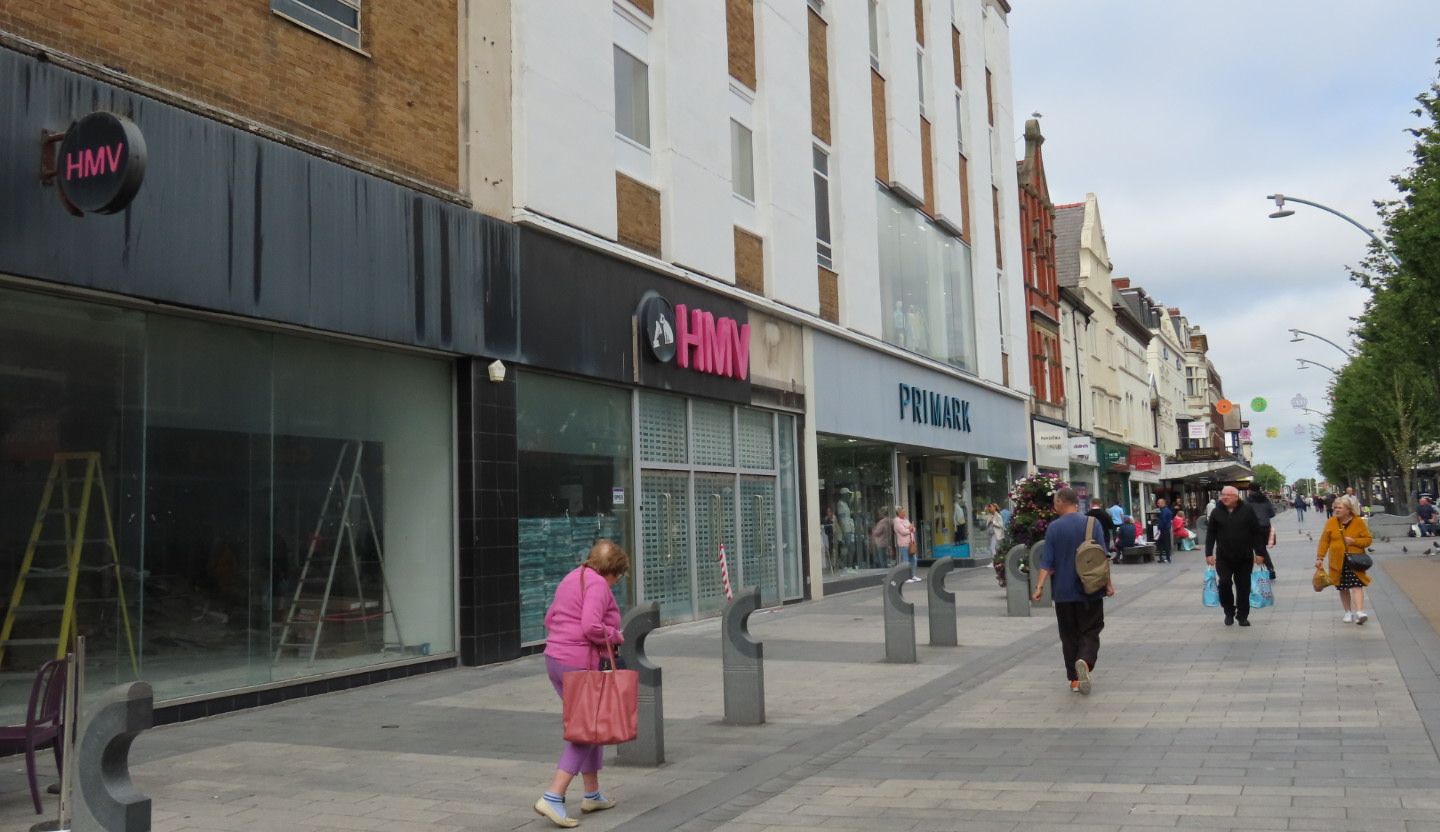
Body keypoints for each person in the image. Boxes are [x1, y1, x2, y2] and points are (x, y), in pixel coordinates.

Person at [535, 540, 629, 827]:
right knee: (587, 728)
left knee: (592, 722)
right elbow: (590, 626)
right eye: (619, 575)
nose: (617, 582)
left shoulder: (571, 577)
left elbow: (549, 617)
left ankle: (592, 794)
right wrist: (614, 635)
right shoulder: (599, 585)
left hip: (556, 659)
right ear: (612, 571)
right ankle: (553, 795)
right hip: (579, 663)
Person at [1031, 487, 1114, 694]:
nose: (1053, 506)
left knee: (1068, 635)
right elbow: (1102, 557)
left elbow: (1047, 562)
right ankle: (1085, 661)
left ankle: (1075, 680)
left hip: (1063, 593)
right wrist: (1108, 584)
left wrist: (1039, 587)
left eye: (1055, 502)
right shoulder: (1092, 523)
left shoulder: (1054, 528)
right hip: (1091, 589)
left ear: (1061, 503)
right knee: (1091, 629)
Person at [1205, 486, 1265, 627]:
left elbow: (1256, 533)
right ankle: (1229, 611)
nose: (1225, 497)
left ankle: (1243, 615)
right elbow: (1210, 534)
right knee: (1224, 583)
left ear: (1236, 497)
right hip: (1224, 557)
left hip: (1244, 556)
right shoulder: (1216, 512)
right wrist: (1208, 553)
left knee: (1243, 586)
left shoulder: (1247, 510)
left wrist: (1260, 553)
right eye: (1223, 495)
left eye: (1228, 495)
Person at [1317, 495, 1375, 624]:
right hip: (1337, 561)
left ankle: (1360, 612)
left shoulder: (1358, 522)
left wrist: (1354, 541)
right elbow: (1324, 541)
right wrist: (1320, 557)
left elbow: (1368, 540)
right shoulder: (1331, 522)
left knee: (1357, 585)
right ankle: (1348, 612)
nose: (1336, 510)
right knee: (1342, 587)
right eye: (1335, 507)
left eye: (1340, 507)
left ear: (1348, 509)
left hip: (1354, 560)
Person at [1246, 485, 1277, 578]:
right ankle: (1269, 569)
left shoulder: (1247, 501)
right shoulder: (1265, 499)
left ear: (1250, 490)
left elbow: (1243, 513)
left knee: (1256, 549)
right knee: (1261, 548)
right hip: (1265, 527)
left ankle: (1268, 569)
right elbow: (1272, 513)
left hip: (1253, 527)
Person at [893, 506, 919, 582]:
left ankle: (913, 575)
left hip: (911, 543)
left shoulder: (906, 520)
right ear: (899, 513)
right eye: (903, 512)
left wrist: (911, 528)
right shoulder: (897, 521)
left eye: (904, 512)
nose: (904, 513)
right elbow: (903, 532)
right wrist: (910, 529)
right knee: (906, 561)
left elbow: (913, 528)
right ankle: (906, 577)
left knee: (913, 559)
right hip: (904, 544)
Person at [1155, 498, 1174, 564]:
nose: (1157, 504)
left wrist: (1159, 527)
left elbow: (1163, 521)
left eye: (1158, 503)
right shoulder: (1167, 510)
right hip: (1165, 529)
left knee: (1163, 544)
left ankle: (1166, 558)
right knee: (1163, 544)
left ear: (1163, 503)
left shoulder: (1164, 511)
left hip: (1164, 529)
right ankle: (1163, 557)